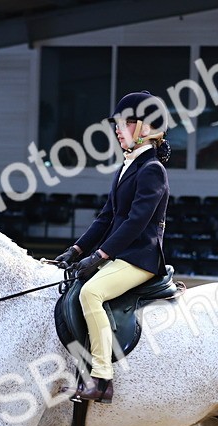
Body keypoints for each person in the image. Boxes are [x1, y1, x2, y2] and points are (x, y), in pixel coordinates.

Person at [56, 90, 172, 404]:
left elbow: (135, 222)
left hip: (141, 257)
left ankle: (102, 380)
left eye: (126, 122)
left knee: (91, 293)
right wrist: (78, 250)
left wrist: (101, 255)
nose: (118, 129)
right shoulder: (126, 167)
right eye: (118, 123)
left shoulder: (152, 171)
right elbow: (107, 216)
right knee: (74, 284)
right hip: (122, 254)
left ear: (147, 128)